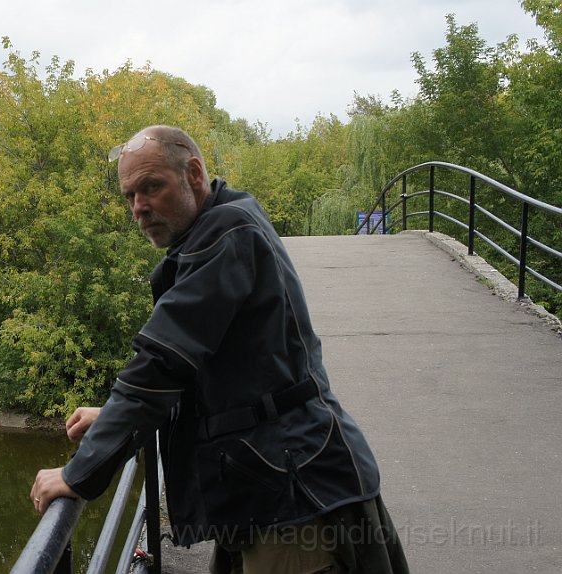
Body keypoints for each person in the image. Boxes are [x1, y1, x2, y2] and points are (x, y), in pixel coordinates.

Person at [30, 126, 408, 573]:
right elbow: (218, 374)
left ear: (193, 173)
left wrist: (80, 474)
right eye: (130, 194)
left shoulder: (225, 236)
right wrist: (112, 417)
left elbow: (161, 363)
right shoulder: (223, 223)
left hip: (292, 494)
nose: (139, 207)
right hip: (275, 475)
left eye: (152, 187)